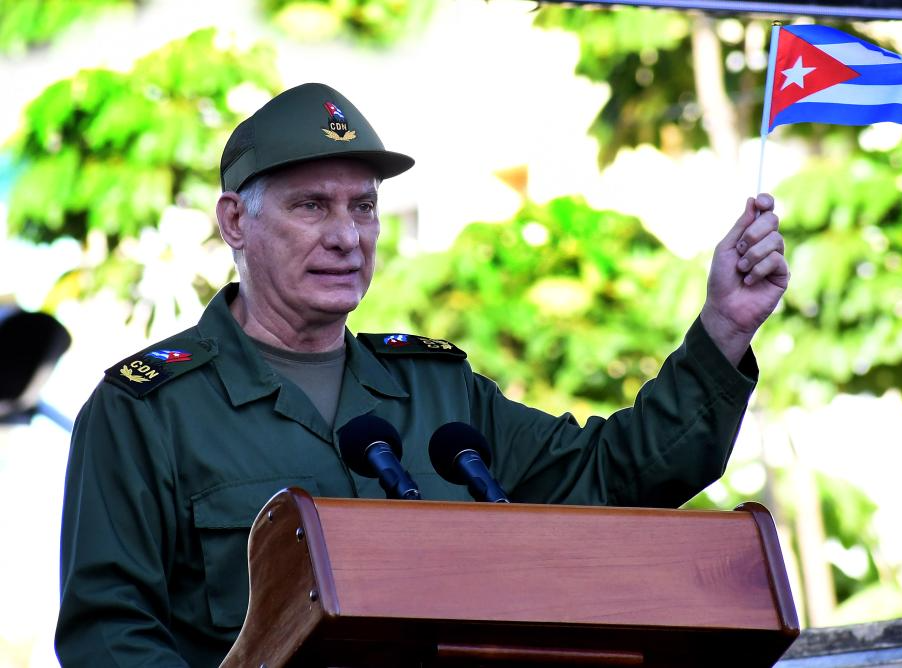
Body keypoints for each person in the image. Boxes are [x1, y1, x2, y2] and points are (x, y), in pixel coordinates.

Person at [55, 83, 789, 666]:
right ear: (235, 221)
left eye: (364, 207)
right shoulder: (147, 409)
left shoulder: (439, 391)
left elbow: (611, 476)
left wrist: (724, 328)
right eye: (312, 206)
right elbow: (109, 637)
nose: (347, 237)